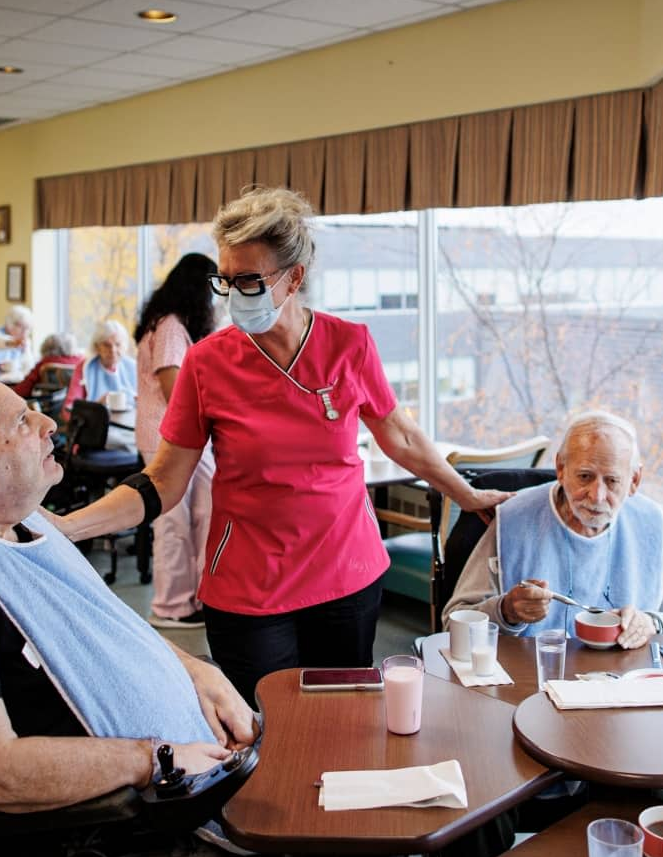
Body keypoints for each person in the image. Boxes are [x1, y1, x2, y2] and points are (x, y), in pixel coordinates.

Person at [55, 187, 509, 705]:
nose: (233, 294)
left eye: (249, 280)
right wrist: (70, 527)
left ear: (294, 277)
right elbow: (163, 480)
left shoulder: (349, 344)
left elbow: (401, 436)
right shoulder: (207, 363)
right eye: (225, 280)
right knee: (265, 730)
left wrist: (468, 495)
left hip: (347, 575)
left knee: (343, 722)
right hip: (251, 587)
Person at [0, 379, 257, 857]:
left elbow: (110, 631)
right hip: (97, 833)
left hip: (179, 783)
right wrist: (156, 758)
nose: (48, 424)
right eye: (20, 422)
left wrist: (190, 669)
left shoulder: (30, 529)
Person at [443, 410, 663, 646]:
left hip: (622, 686)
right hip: (533, 681)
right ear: (561, 469)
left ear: (634, 481)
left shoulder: (651, 523)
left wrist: (652, 623)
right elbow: (451, 626)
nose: (597, 496)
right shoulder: (514, 517)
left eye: (612, 481)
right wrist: (506, 611)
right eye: (585, 476)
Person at [134, 253, 218, 629]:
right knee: (172, 523)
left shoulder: (167, 323)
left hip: (172, 436)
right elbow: (174, 387)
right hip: (167, 438)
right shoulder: (170, 326)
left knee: (203, 514)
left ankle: (199, 597)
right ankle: (171, 606)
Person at [62, 319, 138, 416]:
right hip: (96, 427)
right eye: (107, 345)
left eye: (118, 344)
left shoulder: (132, 366)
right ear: (97, 347)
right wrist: (97, 407)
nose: (113, 350)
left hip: (129, 427)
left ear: (124, 346)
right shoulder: (85, 368)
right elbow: (67, 411)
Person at [12, 330, 81, 398]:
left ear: (46, 347)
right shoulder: (81, 361)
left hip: (52, 405)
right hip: (76, 404)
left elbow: (23, 390)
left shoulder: (46, 363)